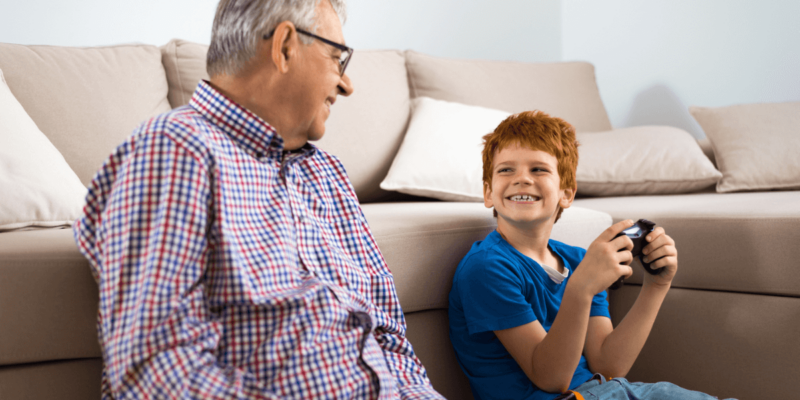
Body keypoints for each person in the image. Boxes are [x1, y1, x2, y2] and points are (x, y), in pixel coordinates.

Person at [72, 0, 443, 398]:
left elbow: (390, 337)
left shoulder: (327, 174)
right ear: (285, 46)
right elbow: (156, 374)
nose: (346, 85)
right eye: (337, 58)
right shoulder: (176, 149)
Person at [447, 111, 734, 400]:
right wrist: (581, 287)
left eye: (538, 169)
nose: (521, 178)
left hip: (609, 391)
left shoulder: (579, 261)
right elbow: (550, 378)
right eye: (506, 170)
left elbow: (609, 366)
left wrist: (657, 286)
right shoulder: (486, 268)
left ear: (566, 194)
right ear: (488, 193)